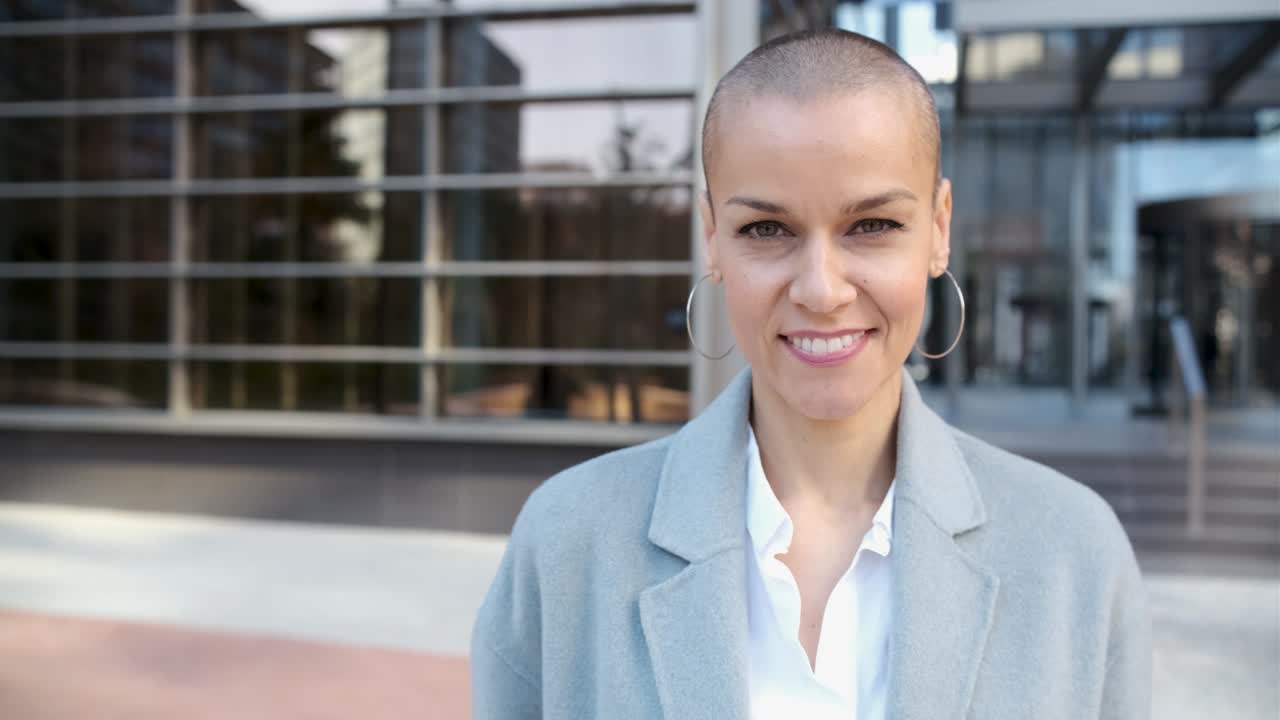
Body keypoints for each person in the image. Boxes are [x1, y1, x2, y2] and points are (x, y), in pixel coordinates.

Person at [471, 29, 1150, 720]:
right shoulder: (567, 544)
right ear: (713, 239)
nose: (821, 290)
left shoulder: (1074, 556)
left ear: (940, 229)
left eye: (873, 225)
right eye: (767, 230)